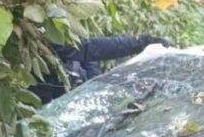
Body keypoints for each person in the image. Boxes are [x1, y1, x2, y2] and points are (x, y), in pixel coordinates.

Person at [31, 35, 171, 103]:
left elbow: (88, 56)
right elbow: (88, 48)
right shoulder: (39, 35)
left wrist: (91, 87)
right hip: (43, 101)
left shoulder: (61, 28)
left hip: (68, 94)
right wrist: (139, 43)